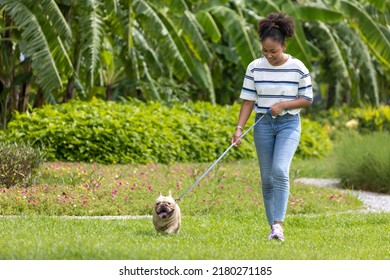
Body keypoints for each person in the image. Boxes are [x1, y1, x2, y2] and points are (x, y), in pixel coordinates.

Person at [231, 13, 313, 241]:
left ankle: (279, 224)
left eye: (273, 52)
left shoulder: (298, 67)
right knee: (266, 179)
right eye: (264, 51)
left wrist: (284, 105)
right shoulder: (255, 68)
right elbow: (248, 100)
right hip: (263, 124)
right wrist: (238, 128)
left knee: (279, 170)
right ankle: (273, 228)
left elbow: (307, 98)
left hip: (289, 124)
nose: (268, 56)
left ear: (284, 46)